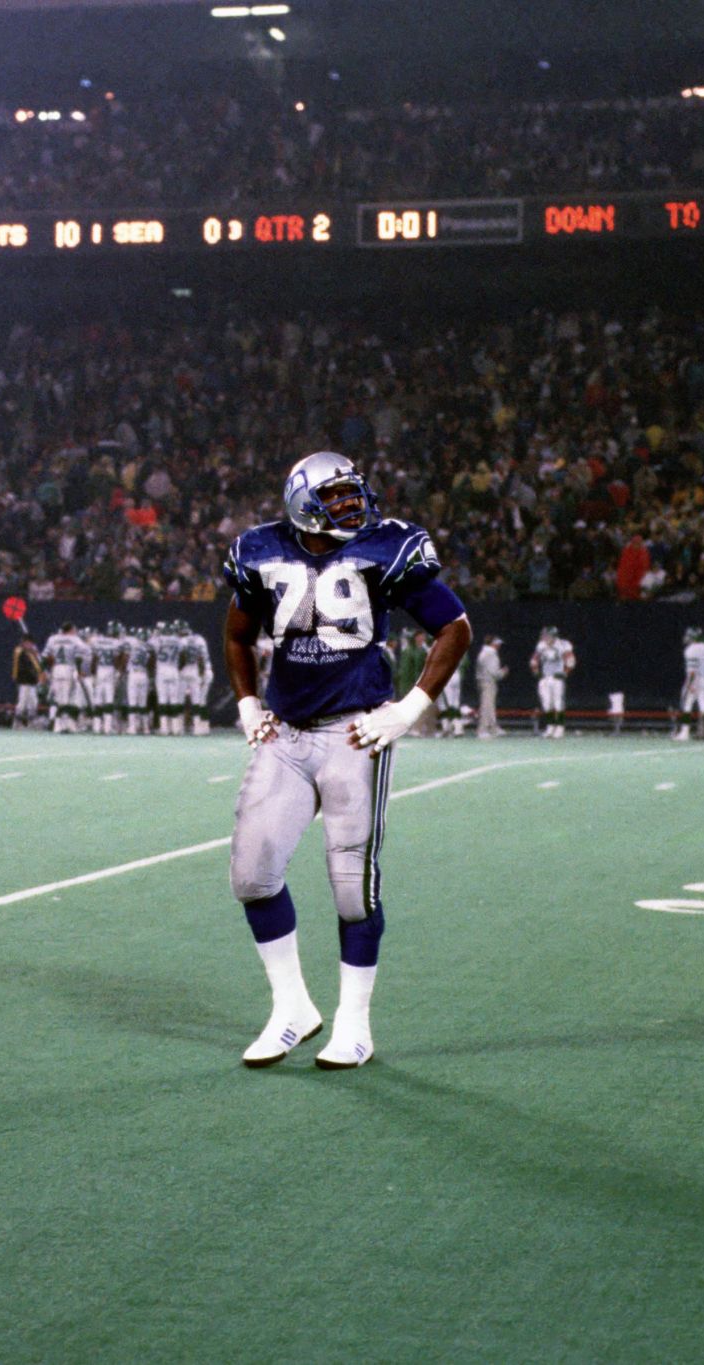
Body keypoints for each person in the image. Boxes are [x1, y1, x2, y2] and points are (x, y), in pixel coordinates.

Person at [222, 450, 471, 1071]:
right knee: (252, 873)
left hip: (353, 731)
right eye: (335, 496)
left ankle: (354, 1025)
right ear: (302, 501)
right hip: (284, 732)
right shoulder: (260, 550)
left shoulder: (384, 549)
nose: (352, 505)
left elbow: (455, 626)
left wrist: (409, 708)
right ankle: (292, 1010)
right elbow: (235, 633)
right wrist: (249, 701)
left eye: (352, 493)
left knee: (351, 887)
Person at [43, 621, 89, 733]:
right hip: (68, 668)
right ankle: (62, 725)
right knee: (67, 699)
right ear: (71, 630)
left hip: (56, 669)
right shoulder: (74, 639)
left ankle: (60, 724)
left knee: (59, 698)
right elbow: (79, 656)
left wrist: (43, 671)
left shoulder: (52, 639)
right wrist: (79, 671)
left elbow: (45, 656)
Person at [529, 625, 575, 738]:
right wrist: (536, 671)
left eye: (547, 635)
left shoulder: (562, 644)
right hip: (545, 677)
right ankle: (550, 726)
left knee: (558, 703)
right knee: (546, 703)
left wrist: (565, 673)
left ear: (554, 636)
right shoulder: (541, 645)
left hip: (557, 677)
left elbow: (571, 660)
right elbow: (534, 660)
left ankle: (560, 727)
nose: (544, 637)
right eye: (544, 635)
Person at [677, 628, 704, 741]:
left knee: (686, 706)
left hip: (695, 679)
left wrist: (690, 684)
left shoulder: (691, 650)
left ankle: (684, 733)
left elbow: (692, 670)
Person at [120, 626, 152, 734]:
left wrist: (122, 670)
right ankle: (145, 728)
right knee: (143, 703)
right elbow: (151, 663)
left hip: (133, 674)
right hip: (144, 674)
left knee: (133, 702)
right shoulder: (149, 646)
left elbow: (125, 658)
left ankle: (133, 727)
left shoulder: (132, 644)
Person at [474, 634, 506, 738]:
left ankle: (493, 728)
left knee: (489, 706)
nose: (499, 646)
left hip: (484, 681)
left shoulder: (484, 652)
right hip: (488, 682)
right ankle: (482, 730)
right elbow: (494, 672)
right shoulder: (491, 654)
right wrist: (503, 672)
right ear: (494, 644)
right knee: (486, 706)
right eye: (498, 644)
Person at [12, 634, 44, 729]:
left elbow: (36, 667)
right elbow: (24, 668)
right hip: (24, 681)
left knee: (33, 702)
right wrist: (35, 675)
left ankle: (31, 722)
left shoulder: (30, 654)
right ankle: (17, 723)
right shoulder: (20, 652)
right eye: (28, 643)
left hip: (31, 682)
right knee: (22, 702)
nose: (30, 645)